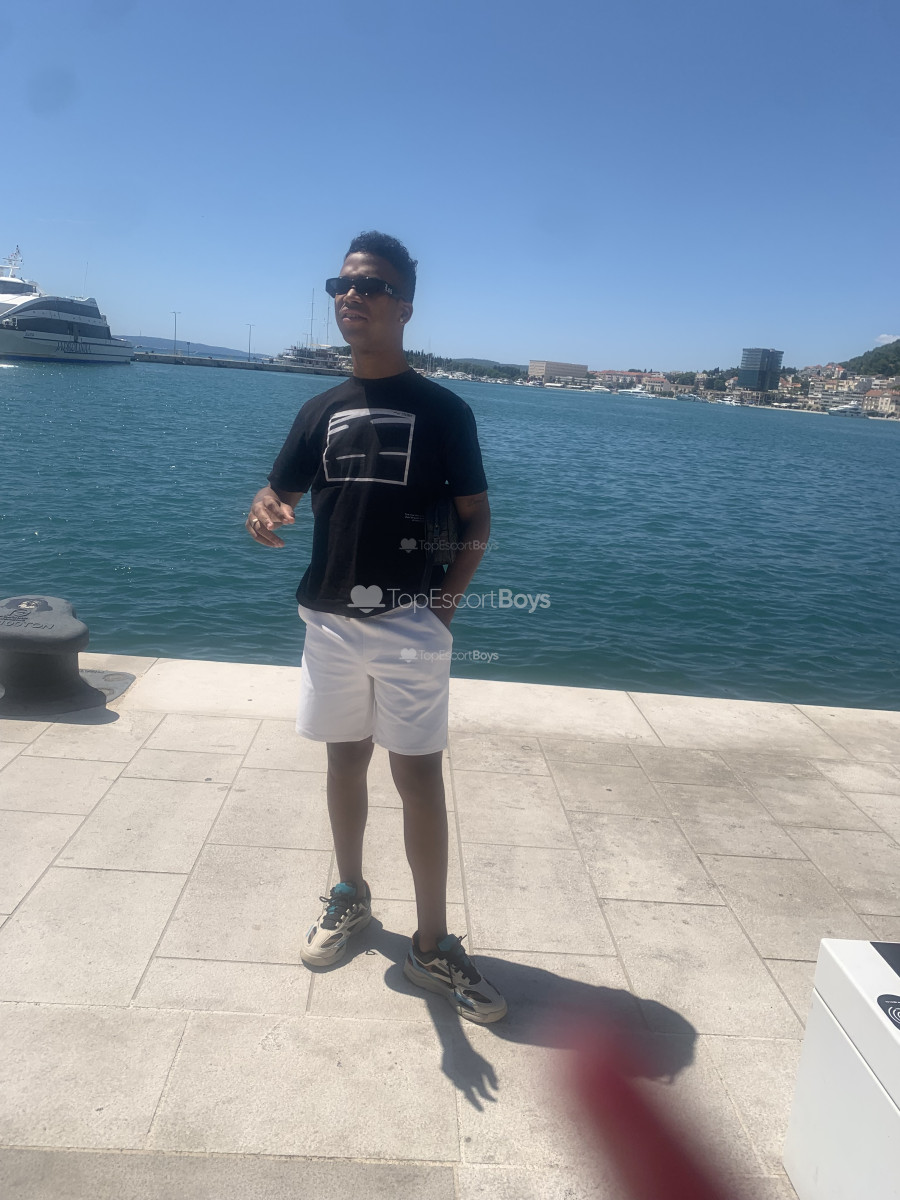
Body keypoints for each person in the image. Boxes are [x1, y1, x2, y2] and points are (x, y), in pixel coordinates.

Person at [246, 231, 506, 1024]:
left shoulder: (444, 411)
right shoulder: (318, 410)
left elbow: (476, 521)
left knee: (417, 777)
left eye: (372, 286)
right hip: (327, 619)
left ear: (406, 308)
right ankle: (350, 896)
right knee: (344, 761)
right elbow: (278, 492)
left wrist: (442, 610)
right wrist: (264, 507)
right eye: (343, 284)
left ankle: (431, 944)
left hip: (409, 624)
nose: (352, 296)